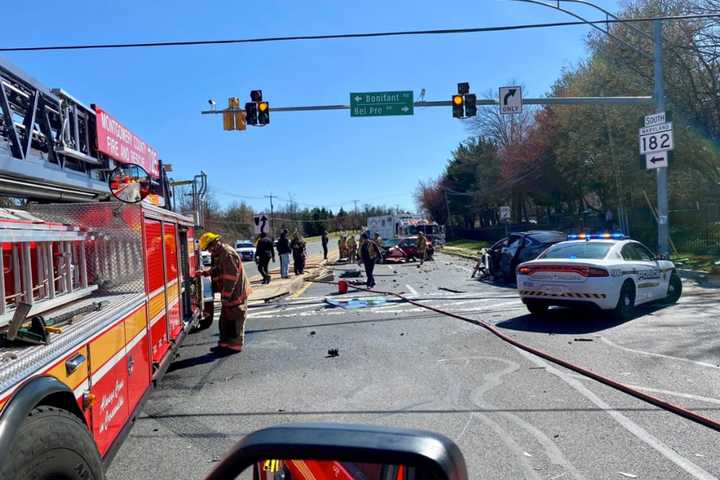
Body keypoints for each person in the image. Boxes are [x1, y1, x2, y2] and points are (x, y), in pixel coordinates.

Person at [198, 232, 251, 353]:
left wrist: (226, 296)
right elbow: (219, 268)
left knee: (236, 318)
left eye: (209, 248)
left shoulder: (227, 254)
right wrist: (207, 273)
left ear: (215, 243)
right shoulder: (219, 253)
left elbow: (230, 277)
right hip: (228, 293)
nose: (209, 252)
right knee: (225, 318)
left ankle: (234, 346)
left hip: (235, 293)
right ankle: (224, 343)